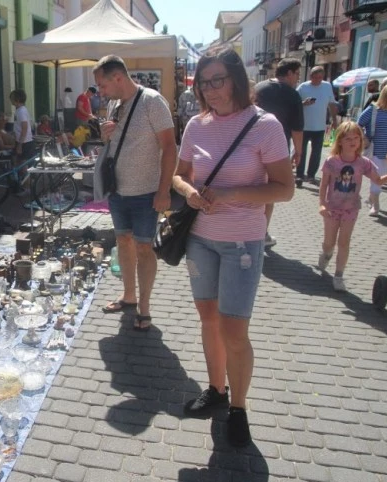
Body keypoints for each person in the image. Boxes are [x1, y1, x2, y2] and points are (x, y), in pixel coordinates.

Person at [172, 46, 294, 447]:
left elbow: (285, 189)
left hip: (242, 241)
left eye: (217, 80)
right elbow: (179, 176)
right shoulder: (195, 125)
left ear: (237, 80)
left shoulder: (265, 125)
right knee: (208, 319)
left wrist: (231, 192)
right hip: (200, 241)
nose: (210, 90)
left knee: (234, 330)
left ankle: (239, 408)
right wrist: (189, 192)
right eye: (203, 83)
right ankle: (216, 391)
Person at [94, 55, 177, 331]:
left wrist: (164, 190)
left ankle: (145, 306)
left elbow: (170, 147)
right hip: (118, 190)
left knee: (144, 247)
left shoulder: (152, 101)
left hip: (146, 192)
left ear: (117, 78)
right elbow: (116, 142)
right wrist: (106, 134)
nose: (101, 92)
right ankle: (128, 295)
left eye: (102, 86)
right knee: (123, 242)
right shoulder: (114, 104)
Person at [318, 121, 387, 291]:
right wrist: (322, 205)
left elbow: (378, 180)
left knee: (344, 242)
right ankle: (326, 254)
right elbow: (323, 185)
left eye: (356, 138)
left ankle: (339, 275)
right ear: (339, 141)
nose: (353, 141)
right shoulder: (331, 162)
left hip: (351, 208)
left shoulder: (363, 163)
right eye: (348, 138)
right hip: (332, 207)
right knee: (329, 242)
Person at [254, 57, 304, 248]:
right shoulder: (292, 94)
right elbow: (297, 129)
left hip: (249, 146)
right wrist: (298, 152)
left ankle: (250, 230)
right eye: (297, 74)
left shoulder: (258, 88)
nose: (297, 78)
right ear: (289, 73)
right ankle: (261, 233)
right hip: (276, 151)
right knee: (269, 193)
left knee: (253, 187)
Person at [357, 83, 387, 216]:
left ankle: (372, 197)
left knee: (382, 177)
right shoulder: (374, 110)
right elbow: (358, 124)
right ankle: (375, 204)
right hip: (377, 150)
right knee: (378, 177)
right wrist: (363, 138)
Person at [296, 66, 338, 187]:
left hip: (319, 126)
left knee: (316, 153)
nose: (317, 80)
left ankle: (311, 175)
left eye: (320, 77)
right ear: (310, 77)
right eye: (315, 77)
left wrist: (334, 120)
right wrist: (304, 103)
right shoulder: (303, 87)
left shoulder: (327, 86)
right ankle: (299, 175)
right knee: (301, 152)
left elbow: (331, 103)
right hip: (304, 126)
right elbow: (295, 103)